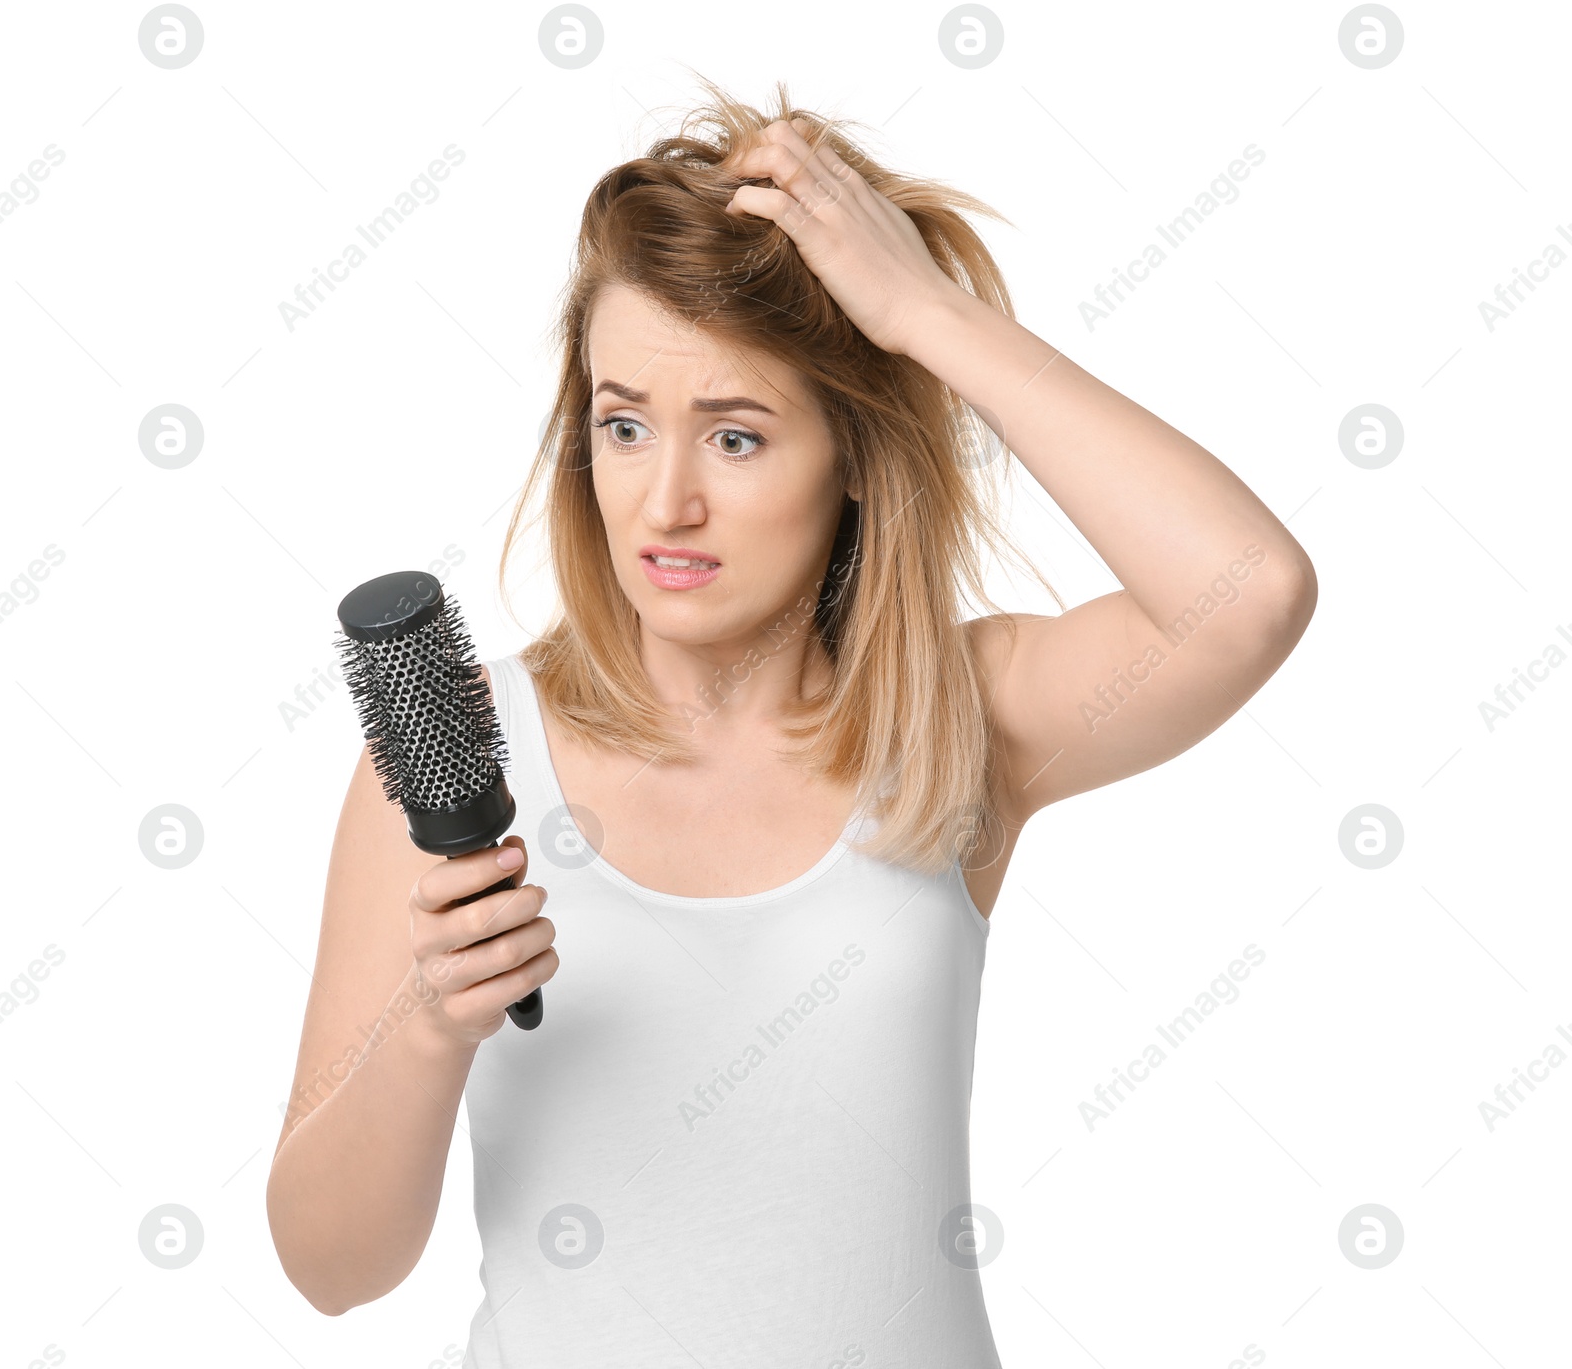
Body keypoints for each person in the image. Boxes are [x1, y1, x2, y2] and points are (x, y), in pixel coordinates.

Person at [266, 78, 1317, 1365]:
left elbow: (1247, 594)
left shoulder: (956, 725)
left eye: (739, 435)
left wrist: (923, 315)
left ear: (852, 455)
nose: (666, 501)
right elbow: (329, 1268)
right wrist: (427, 1028)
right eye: (624, 424)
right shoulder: (463, 753)